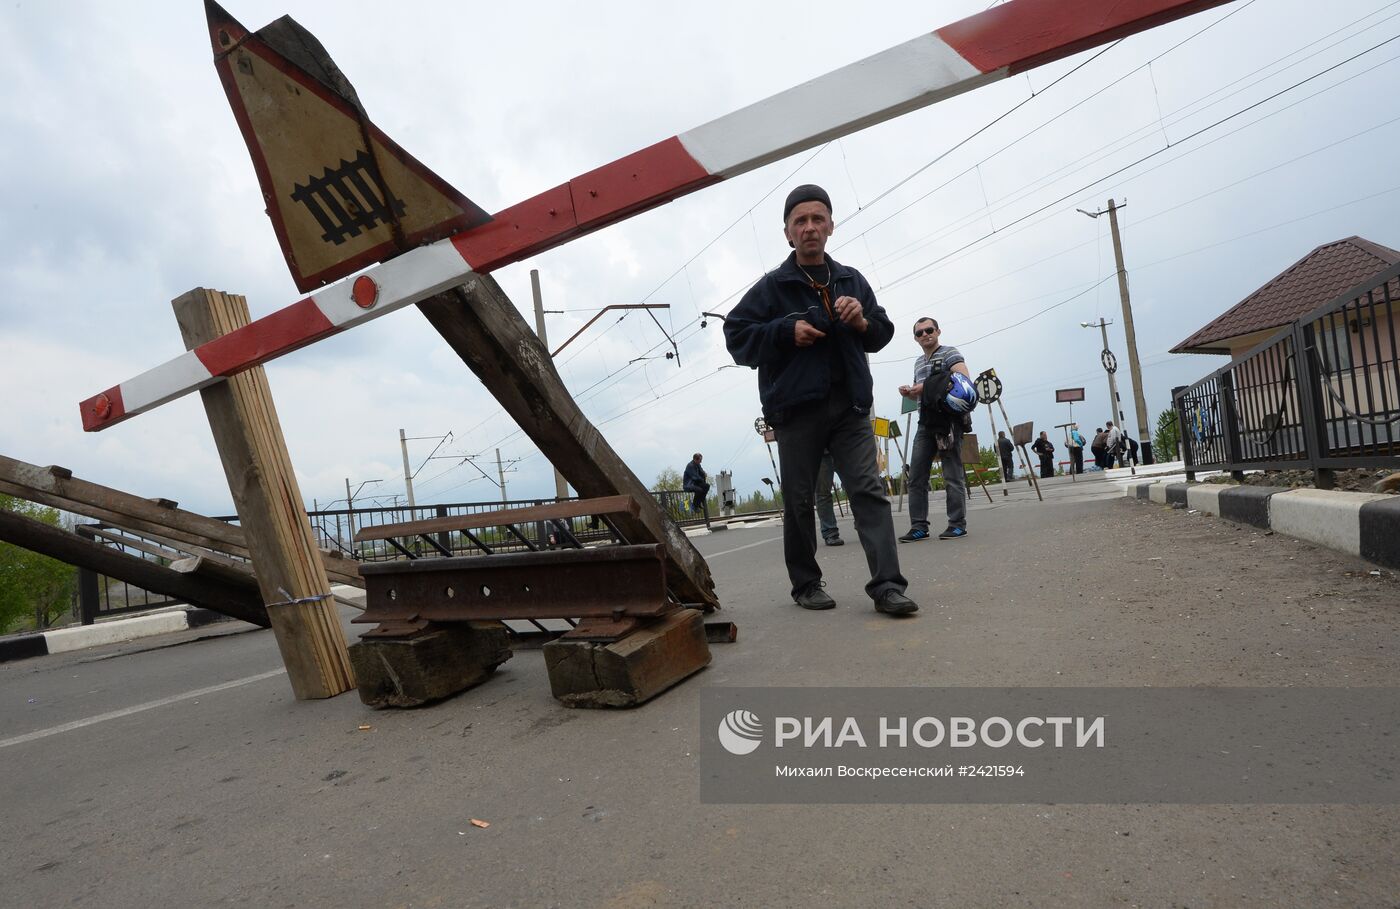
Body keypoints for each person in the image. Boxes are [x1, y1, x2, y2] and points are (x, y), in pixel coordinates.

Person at [723, 184, 917, 616]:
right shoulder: (772, 288)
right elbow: (737, 338)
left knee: (868, 492)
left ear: (830, 226)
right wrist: (784, 332)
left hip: (849, 406)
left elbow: (882, 334)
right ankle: (806, 584)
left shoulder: (851, 279)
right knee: (799, 500)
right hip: (796, 412)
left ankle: (887, 586)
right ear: (788, 233)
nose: (810, 227)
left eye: (817, 219)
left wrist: (863, 321)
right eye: (800, 221)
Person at [898, 318, 971, 542]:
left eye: (929, 330)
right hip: (925, 421)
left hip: (947, 422)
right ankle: (919, 527)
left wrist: (927, 386)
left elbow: (964, 379)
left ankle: (957, 524)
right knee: (916, 476)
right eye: (920, 333)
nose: (925, 335)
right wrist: (910, 392)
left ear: (938, 331)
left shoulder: (949, 353)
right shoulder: (918, 363)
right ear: (915, 338)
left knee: (952, 474)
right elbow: (922, 391)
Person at [815, 451, 843, 546]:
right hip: (820, 449)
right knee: (823, 493)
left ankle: (866, 525)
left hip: (844, 444)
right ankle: (830, 532)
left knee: (857, 488)